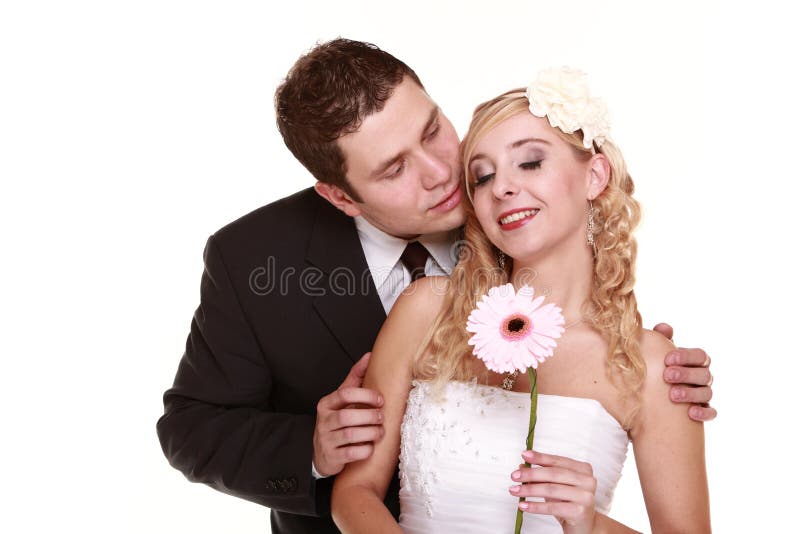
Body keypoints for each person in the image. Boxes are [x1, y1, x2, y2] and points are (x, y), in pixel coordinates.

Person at [156, 40, 715, 534]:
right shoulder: (255, 257)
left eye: (432, 131)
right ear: (342, 197)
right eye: (394, 169)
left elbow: (580, 276)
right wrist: (312, 449)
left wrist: (642, 365)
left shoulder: (509, 195)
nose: (443, 174)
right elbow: (192, 426)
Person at [330, 69, 710, 533]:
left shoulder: (651, 365)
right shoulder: (426, 310)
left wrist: (590, 525)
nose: (502, 187)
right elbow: (353, 493)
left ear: (594, 175)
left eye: (529, 163)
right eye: (483, 177)